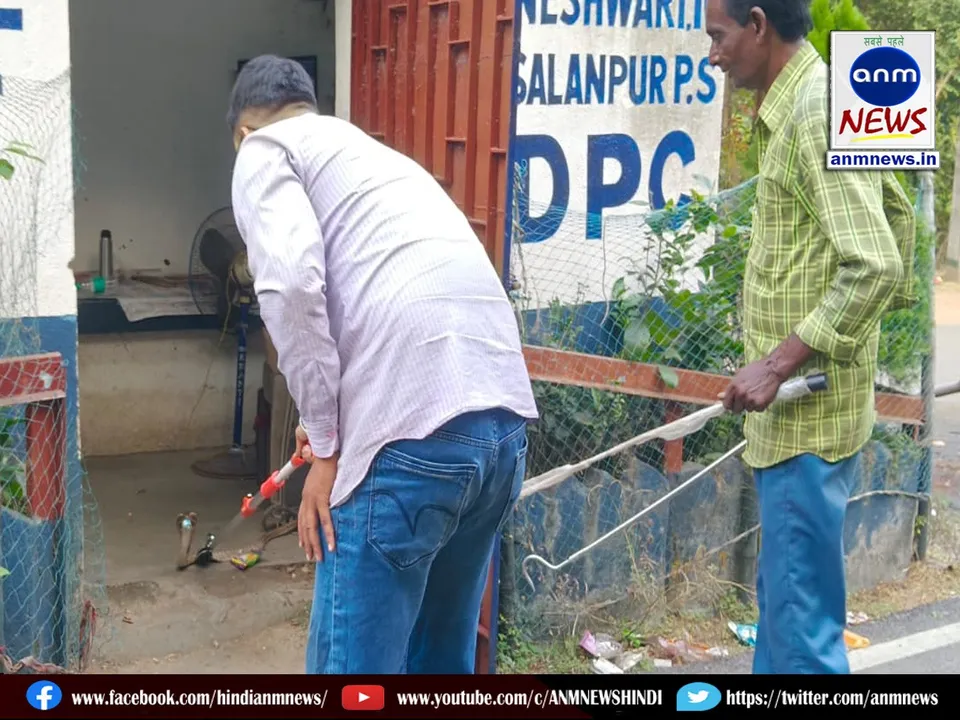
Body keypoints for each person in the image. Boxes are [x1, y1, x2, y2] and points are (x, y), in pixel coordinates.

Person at [225, 55, 539, 674]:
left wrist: (331, 445)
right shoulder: (375, 158)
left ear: (242, 131)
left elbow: (288, 287)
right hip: (501, 429)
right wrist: (326, 424)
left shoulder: (264, 151)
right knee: (440, 666)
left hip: (407, 442)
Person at [705, 0, 916, 674]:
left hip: (805, 419)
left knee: (801, 634)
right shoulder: (818, 99)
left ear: (759, 25)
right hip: (805, 415)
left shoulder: (815, 114)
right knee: (787, 611)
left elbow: (876, 261)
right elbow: (899, 215)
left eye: (719, 35)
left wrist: (775, 363)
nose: (713, 55)